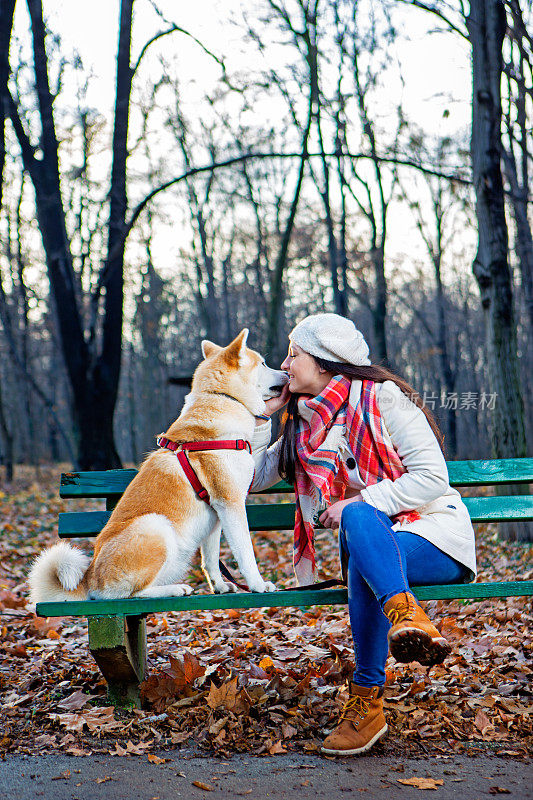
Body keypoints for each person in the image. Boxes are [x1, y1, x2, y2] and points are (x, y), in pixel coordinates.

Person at [250, 313, 476, 756]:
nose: (285, 363)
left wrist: (361, 502)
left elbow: (432, 477)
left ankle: (367, 700)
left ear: (326, 362)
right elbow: (251, 477)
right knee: (362, 552)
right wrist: (261, 415)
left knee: (357, 526)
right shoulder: (302, 422)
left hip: (434, 537)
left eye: (294, 354)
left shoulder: (384, 399)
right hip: (374, 551)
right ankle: (406, 617)